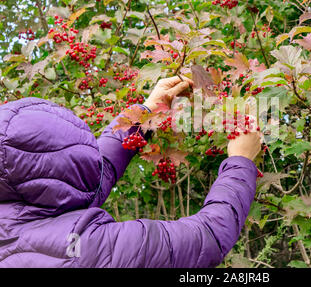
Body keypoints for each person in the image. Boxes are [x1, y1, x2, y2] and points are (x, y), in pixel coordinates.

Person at [0, 76, 262, 267]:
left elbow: (85, 178)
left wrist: (145, 112)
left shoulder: (15, 208)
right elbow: (207, 238)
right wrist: (241, 161)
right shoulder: (88, 249)